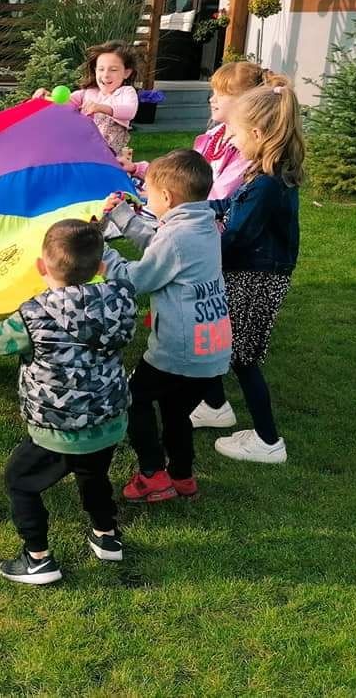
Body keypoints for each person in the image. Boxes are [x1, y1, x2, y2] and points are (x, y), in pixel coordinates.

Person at [0, 219, 137, 585]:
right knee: (93, 475)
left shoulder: (32, 316)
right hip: (108, 422)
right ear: (100, 267)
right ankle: (106, 536)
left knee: (20, 481)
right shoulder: (122, 300)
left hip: (58, 430)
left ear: (40, 266)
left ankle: (37, 559)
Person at [102, 149, 231, 502]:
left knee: (134, 398)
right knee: (176, 411)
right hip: (212, 347)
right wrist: (127, 217)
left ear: (168, 198)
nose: (146, 197)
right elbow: (158, 243)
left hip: (179, 348)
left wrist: (102, 254)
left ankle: (152, 473)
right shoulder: (201, 224)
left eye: (149, 193)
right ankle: (183, 475)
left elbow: (137, 279)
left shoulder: (176, 237)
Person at [204, 77, 305, 464]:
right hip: (248, 274)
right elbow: (226, 205)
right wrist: (194, 209)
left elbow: (236, 235)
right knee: (220, 342)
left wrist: (198, 245)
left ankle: (268, 441)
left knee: (244, 358)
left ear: (259, 133)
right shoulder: (260, 172)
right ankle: (214, 406)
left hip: (257, 280)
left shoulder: (267, 184)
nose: (230, 140)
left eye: (235, 133)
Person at [122, 62, 269, 202]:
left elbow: (215, 195)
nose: (212, 99)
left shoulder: (246, 148)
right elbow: (185, 177)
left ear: (246, 102)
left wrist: (162, 195)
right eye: (213, 93)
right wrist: (139, 169)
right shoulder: (214, 135)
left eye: (221, 95)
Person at [34, 41, 140, 155]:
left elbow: (130, 111)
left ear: (126, 73)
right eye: (101, 69)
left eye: (113, 70)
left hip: (108, 155)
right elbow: (65, 102)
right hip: (84, 148)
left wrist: (101, 108)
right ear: (95, 70)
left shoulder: (126, 92)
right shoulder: (88, 93)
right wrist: (47, 97)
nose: (106, 75)